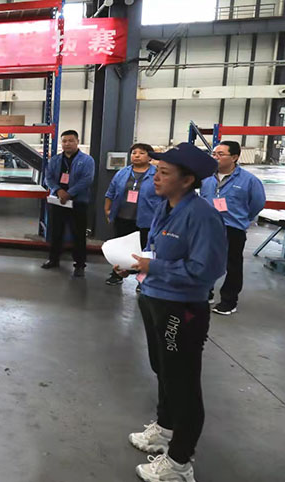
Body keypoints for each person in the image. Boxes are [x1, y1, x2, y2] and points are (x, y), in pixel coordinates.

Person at [114, 143, 227, 482]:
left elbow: (207, 270)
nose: (155, 178)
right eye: (156, 171)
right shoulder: (167, 206)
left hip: (182, 308)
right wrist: (134, 265)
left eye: (163, 173)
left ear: (187, 180)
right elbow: (159, 252)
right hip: (155, 298)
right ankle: (165, 428)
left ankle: (179, 463)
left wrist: (156, 267)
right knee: (163, 370)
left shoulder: (202, 215)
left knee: (182, 382)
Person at [201, 140, 266, 315]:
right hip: (208, 227)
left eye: (220, 154)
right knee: (204, 261)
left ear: (235, 157)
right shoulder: (206, 178)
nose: (215, 157)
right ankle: (205, 293)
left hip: (233, 228)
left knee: (233, 265)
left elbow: (257, 203)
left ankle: (229, 301)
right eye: (214, 154)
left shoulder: (249, 180)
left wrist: (242, 218)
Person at [104, 143, 162, 287]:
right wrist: (108, 210)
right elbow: (111, 192)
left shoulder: (157, 174)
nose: (137, 156)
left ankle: (143, 280)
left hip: (147, 219)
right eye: (134, 153)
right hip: (123, 216)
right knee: (121, 247)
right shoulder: (122, 173)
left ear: (150, 157)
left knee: (145, 250)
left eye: (141, 153)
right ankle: (117, 274)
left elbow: (164, 197)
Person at [42, 130, 95, 277]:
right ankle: (53, 259)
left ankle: (79, 265)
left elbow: (87, 180)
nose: (67, 144)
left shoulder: (87, 160)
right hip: (58, 201)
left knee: (78, 234)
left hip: (78, 202)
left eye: (71, 140)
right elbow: (48, 178)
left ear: (77, 141)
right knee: (56, 232)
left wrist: (69, 193)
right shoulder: (55, 160)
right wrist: (58, 190)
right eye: (64, 141)